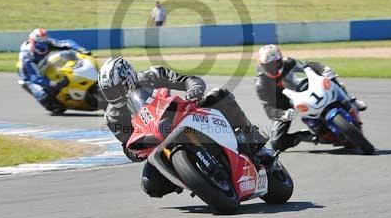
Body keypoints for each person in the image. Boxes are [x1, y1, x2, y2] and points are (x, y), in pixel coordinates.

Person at [98, 56, 268, 198]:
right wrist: (136, 150)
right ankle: (195, 179)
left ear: (128, 78)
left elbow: (189, 80)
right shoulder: (113, 117)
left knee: (217, 96)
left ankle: (253, 138)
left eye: (116, 89)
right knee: (150, 185)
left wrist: (194, 89)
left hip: (181, 114)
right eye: (109, 92)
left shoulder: (153, 75)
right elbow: (126, 145)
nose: (113, 96)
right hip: (157, 142)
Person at [255, 44, 368, 152]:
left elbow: (307, 65)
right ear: (262, 65)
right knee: (276, 143)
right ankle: (306, 136)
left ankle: (351, 100)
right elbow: (268, 109)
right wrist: (282, 114)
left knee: (329, 78)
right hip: (285, 106)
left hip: (302, 90)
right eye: (268, 66)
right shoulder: (261, 83)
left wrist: (323, 69)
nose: (273, 68)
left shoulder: (288, 62)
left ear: (280, 60)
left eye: (275, 64)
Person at [18, 28, 85, 114]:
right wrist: (52, 83)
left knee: (66, 55)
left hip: (44, 63)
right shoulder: (27, 55)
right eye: (40, 42)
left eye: (44, 41)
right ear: (33, 41)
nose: (43, 44)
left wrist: (80, 49)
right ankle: (50, 102)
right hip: (29, 75)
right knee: (45, 96)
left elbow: (66, 43)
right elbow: (34, 77)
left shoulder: (48, 42)